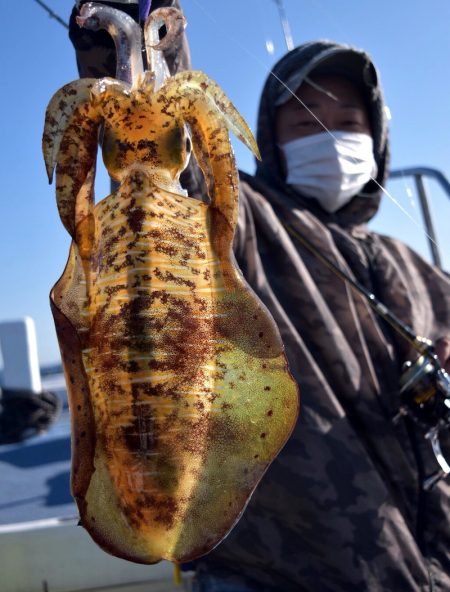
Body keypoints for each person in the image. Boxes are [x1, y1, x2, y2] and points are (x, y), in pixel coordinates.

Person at [69, 6, 450, 590]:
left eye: (347, 119)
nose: (328, 133)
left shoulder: (416, 269)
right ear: (268, 140)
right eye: (305, 121)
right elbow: (174, 156)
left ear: (378, 135)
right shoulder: (238, 219)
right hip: (286, 572)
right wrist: (139, 34)